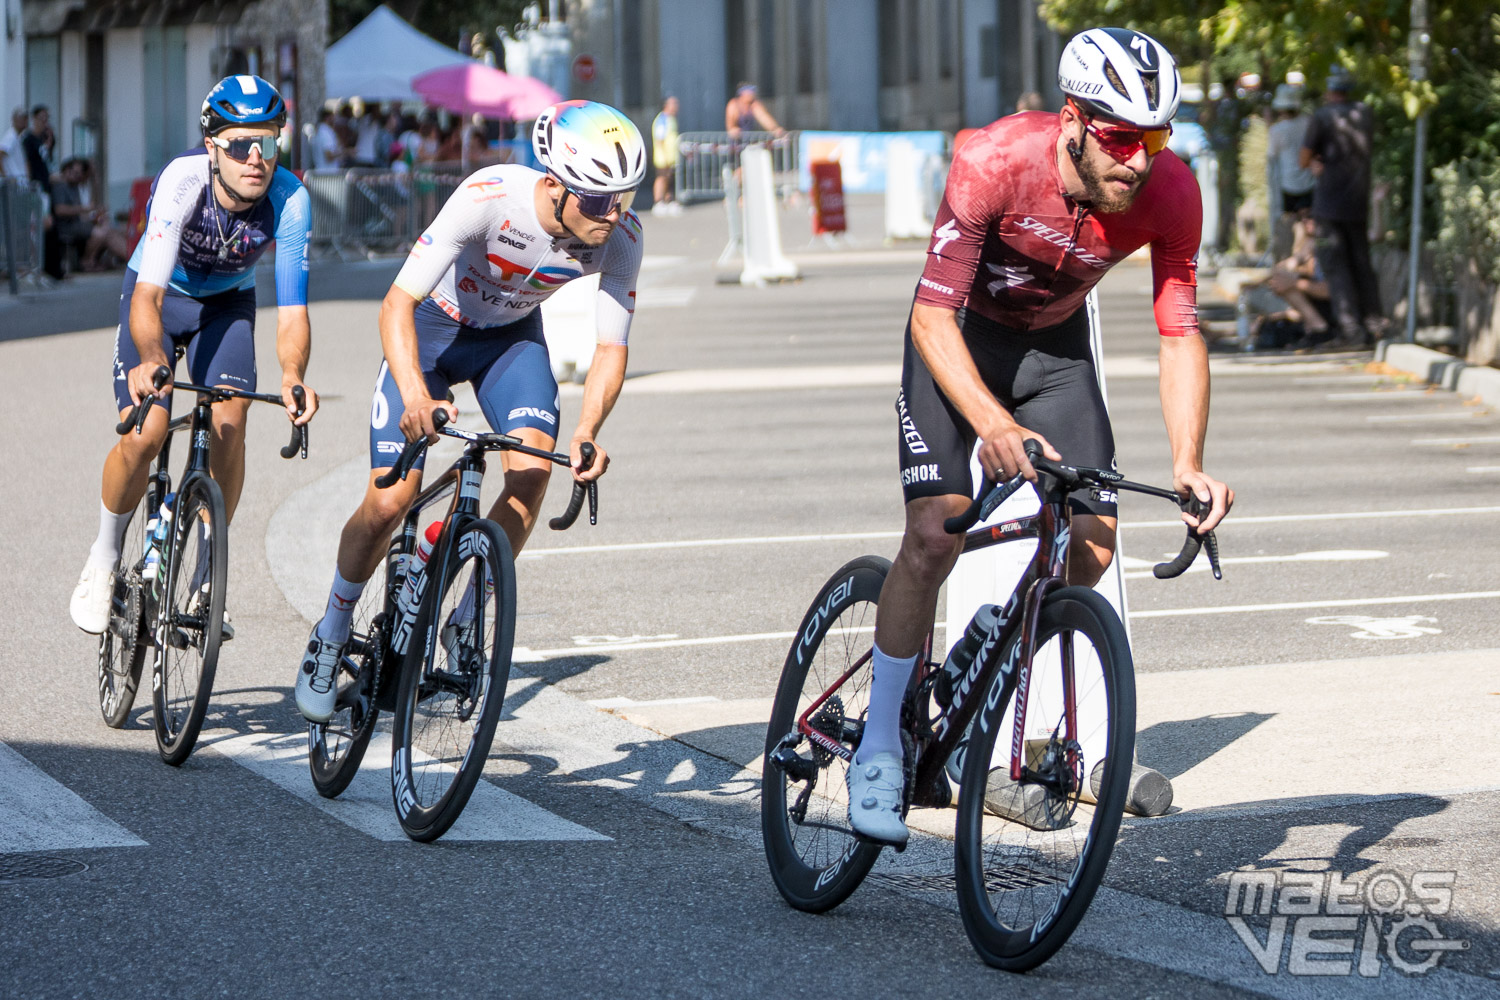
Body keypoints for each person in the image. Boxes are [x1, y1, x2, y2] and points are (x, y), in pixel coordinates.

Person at [846, 27, 1233, 847]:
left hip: (1053, 357)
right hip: (961, 342)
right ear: (1074, 121)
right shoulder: (994, 161)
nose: (1138, 158)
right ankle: (880, 744)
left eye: (1155, 137)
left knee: (1093, 535)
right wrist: (989, 421)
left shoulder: (1171, 193)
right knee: (932, 532)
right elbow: (931, 315)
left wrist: (1189, 463)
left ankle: (1003, 641)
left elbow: (1179, 333)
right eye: (1122, 137)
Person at [292, 99, 646, 722]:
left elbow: (611, 347)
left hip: (508, 342)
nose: (613, 214)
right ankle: (332, 627)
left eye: (625, 195)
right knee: (388, 502)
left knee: (532, 473)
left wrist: (589, 429)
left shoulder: (621, 239)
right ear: (557, 185)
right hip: (431, 332)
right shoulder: (489, 197)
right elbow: (396, 304)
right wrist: (413, 394)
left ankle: (463, 619)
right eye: (597, 200)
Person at [69, 76, 318, 634]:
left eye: (269, 144)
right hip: (162, 300)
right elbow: (148, 296)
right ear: (212, 146)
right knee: (146, 432)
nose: (255, 158)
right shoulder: (182, 182)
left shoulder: (291, 200)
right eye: (238, 145)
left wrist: (294, 374)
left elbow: (293, 312)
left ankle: (209, 572)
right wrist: (151, 359)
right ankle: (104, 556)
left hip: (227, 304)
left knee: (232, 418)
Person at [1299, 69, 1383, 348]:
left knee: (1335, 266)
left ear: (1329, 91)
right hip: (1358, 200)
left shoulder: (1323, 116)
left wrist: (1314, 163)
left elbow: (1303, 158)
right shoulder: (1365, 114)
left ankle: (1350, 331)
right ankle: (1374, 323)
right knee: (1361, 262)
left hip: (1329, 203)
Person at [51, 157, 131, 271]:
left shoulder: (75, 186)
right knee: (101, 232)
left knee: (111, 231)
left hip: (78, 223)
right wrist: (84, 209)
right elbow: (60, 210)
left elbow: (87, 208)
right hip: (67, 226)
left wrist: (91, 215)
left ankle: (130, 258)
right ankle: (87, 261)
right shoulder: (61, 186)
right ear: (66, 170)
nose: (76, 176)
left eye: (79, 173)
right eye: (74, 173)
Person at [1265, 83, 1314, 260]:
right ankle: (1302, 258)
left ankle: (1295, 257)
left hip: (1288, 183)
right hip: (1309, 181)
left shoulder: (1276, 130)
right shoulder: (1308, 123)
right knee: (1307, 222)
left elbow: (1272, 157)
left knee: (1293, 224)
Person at [651, 95, 681, 215]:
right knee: (661, 179)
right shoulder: (662, 119)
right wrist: (664, 155)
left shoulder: (671, 119)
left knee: (669, 180)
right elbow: (660, 139)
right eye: (673, 104)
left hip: (671, 157)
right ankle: (658, 201)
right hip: (663, 157)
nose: (676, 107)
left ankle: (668, 200)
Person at [0, 107, 29, 181]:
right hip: (14, 181)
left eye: (25, 119)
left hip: (20, 180)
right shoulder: (10, 136)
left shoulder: (20, 137)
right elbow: (1, 154)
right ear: (14, 120)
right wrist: (5, 176)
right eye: (21, 119)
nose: (24, 122)